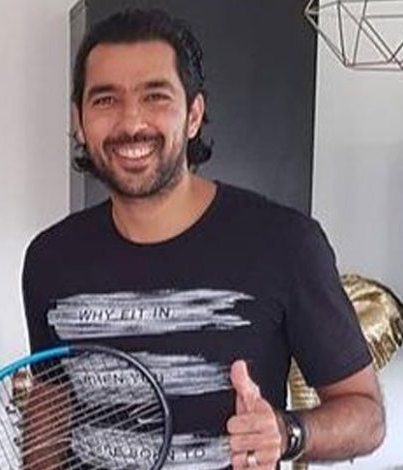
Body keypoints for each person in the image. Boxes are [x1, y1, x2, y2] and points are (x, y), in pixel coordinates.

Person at [22, 9, 385, 470]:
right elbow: (53, 396)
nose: (131, 121)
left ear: (193, 115)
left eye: (155, 96)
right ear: (79, 120)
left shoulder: (285, 244)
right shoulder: (50, 258)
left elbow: (367, 416)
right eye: (105, 100)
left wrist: (287, 432)